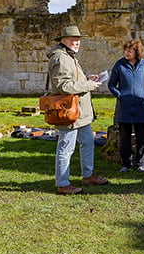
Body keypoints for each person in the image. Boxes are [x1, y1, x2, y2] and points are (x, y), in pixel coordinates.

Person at [47, 25, 109, 195]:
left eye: (78, 39)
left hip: (80, 112)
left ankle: (88, 176)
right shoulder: (61, 58)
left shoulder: (69, 56)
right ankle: (62, 184)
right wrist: (89, 85)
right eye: (73, 39)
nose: (77, 42)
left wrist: (87, 79)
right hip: (69, 112)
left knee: (88, 142)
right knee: (66, 148)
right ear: (63, 41)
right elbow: (64, 85)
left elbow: (71, 80)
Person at [108, 39, 144, 173]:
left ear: (137, 52)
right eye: (125, 50)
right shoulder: (119, 65)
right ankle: (126, 164)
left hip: (141, 106)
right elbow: (111, 84)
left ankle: (141, 163)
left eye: (129, 51)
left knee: (141, 136)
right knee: (124, 137)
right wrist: (120, 95)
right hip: (124, 106)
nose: (126, 53)